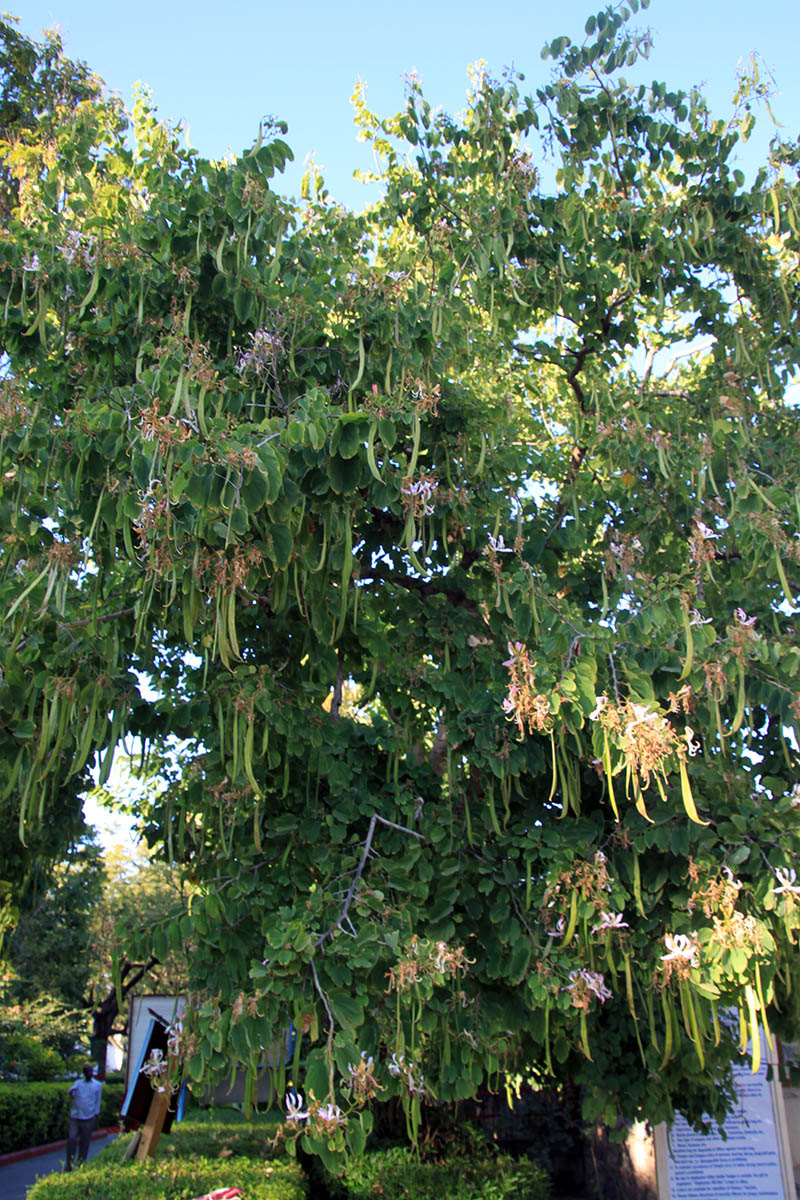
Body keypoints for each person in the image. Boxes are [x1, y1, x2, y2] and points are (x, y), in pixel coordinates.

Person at [65, 1063, 103, 1171]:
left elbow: (98, 1101)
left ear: (92, 1072)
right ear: (84, 1073)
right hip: (76, 1116)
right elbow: (70, 1092)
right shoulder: (78, 1083)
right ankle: (69, 1163)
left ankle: (81, 1164)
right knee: (72, 1139)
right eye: (86, 1071)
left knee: (84, 1142)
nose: (88, 1073)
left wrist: (96, 1114)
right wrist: (71, 1091)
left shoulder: (97, 1085)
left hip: (89, 1117)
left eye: (90, 1071)